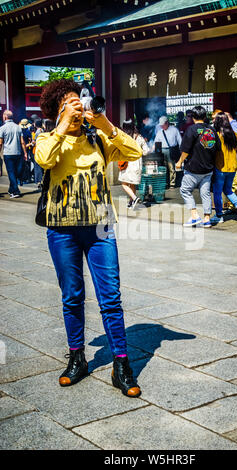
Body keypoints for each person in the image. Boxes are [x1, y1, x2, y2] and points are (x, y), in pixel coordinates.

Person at [35, 79, 143, 397]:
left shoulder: (97, 138)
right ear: (57, 109)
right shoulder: (49, 139)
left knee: (110, 298)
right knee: (72, 297)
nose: (77, 107)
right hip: (62, 229)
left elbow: (134, 151)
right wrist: (62, 125)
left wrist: (103, 121)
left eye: (78, 101)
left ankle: (121, 365)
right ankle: (77, 358)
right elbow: (43, 158)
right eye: (68, 103)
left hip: (100, 228)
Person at [176, 106, 220, 228]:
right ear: (205, 117)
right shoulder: (211, 130)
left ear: (194, 117)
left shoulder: (191, 130)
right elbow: (217, 148)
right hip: (208, 169)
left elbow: (185, 150)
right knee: (205, 193)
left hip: (193, 168)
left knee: (185, 190)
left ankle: (195, 216)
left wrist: (179, 162)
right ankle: (207, 219)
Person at [212, 112, 237, 224]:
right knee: (228, 190)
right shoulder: (232, 134)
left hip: (220, 167)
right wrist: (231, 146)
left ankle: (219, 215)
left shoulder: (216, 134)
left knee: (217, 192)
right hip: (232, 167)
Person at [119, 119, 147, 209]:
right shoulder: (139, 137)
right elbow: (146, 151)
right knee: (132, 184)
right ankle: (131, 202)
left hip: (127, 163)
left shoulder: (123, 137)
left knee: (124, 183)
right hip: (137, 163)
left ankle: (135, 198)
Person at [0, 110, 27, 198]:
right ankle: (11, 189)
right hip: (18, 152)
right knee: (16, 172)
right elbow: (22, 142)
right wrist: (25, 153)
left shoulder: (2, 128)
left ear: (5, 117)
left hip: (8, 153)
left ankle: (15, 191)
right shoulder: (18, 127)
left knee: (11, 172)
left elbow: (0, 143)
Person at [154, 116, 182, 188]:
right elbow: (156, 142)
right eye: (161, 125)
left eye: (163, 125)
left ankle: (172, 183)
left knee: (171, 167)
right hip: (162, 150)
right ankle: (165, 183)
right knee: (163, 168)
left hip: (171, 150)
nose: (162, 126)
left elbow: (180, 141)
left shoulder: (174, 130)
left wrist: (181, 151)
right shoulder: (159, 132)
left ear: (167, 123)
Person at [32, 118, 44, 187]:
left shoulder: (37, 132)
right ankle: (41, 179)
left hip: (37, 150)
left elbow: (34, 142)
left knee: (37, 166)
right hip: (42, 150)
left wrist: (32, 143)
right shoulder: (42, 130)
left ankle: (38, 181)